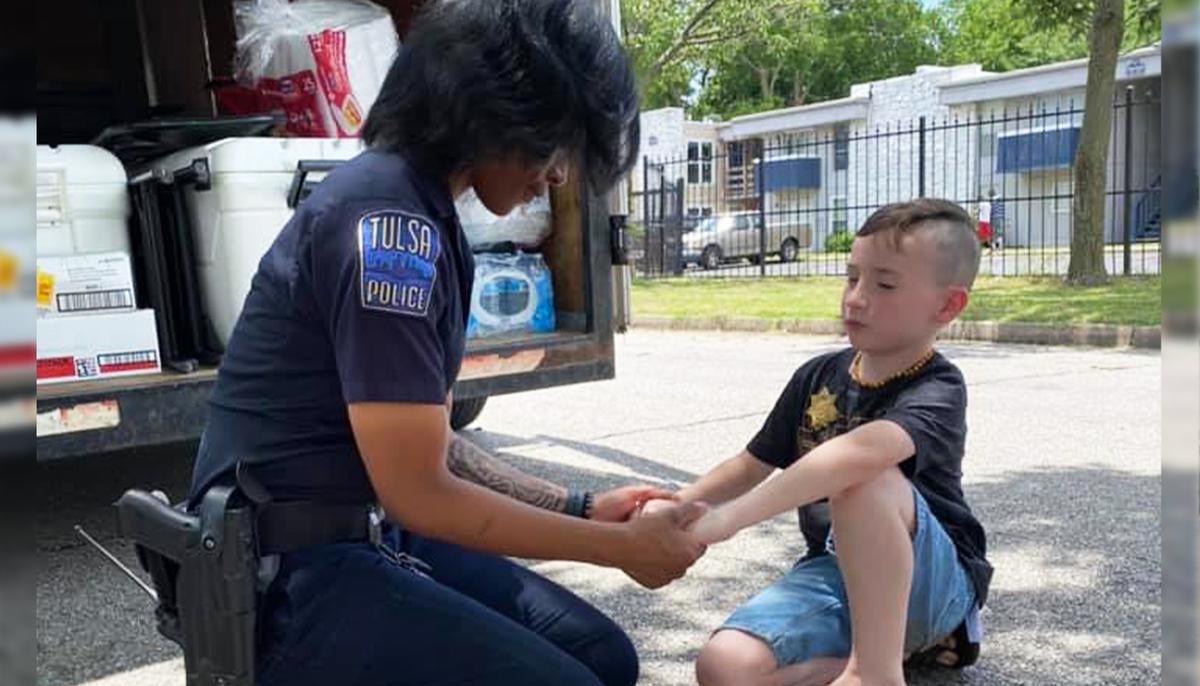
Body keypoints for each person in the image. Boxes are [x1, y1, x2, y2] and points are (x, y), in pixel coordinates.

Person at [185, 1, 706, 684]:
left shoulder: (421, 213)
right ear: (495, 110)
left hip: (352, 538)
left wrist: (580, 507)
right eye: (552, 143)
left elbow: (431, 446)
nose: (554, 174)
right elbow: (421, 493)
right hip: (283, 579)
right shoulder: (389, 230)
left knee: (605, 657)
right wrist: (616, 548)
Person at [642, 199, 993, 686]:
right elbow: (752, 463)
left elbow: (858, 456)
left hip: (930, 584)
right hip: (836, 574)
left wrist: (726, 521)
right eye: (852, 277)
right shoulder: (817, 375)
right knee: (723, 667)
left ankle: (877, 669)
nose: (856, 298)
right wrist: (677, 505)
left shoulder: (939, 387)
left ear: (947, 305)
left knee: (863, 481)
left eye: (884, 284)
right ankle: (889, 661)